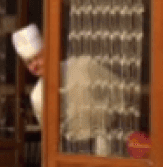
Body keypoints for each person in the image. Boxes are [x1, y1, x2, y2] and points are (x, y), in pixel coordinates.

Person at [12, 23, 120, 155]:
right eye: (29, 62)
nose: (34, 66)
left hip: (107, 148)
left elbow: (121, 93)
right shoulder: (37, 96)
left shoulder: (84, 67)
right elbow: (51, 136)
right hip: (69, 154)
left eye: (37, 58)